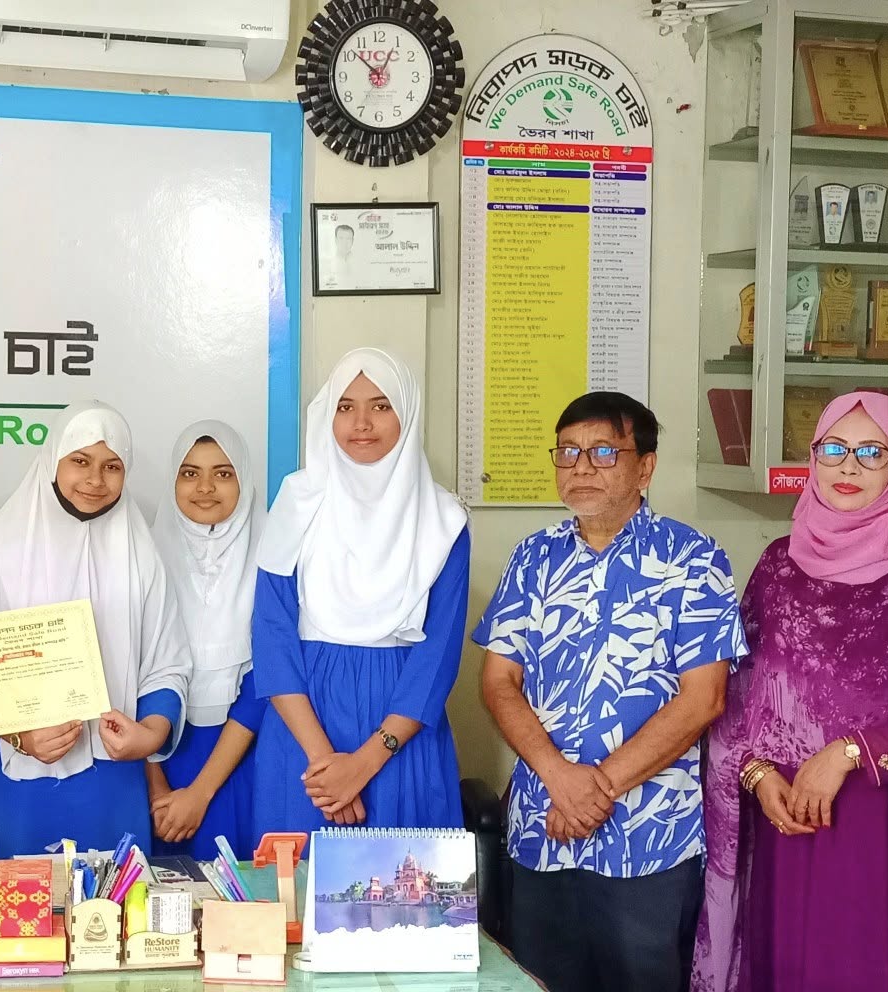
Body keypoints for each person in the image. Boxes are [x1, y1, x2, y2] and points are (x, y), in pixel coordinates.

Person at [693, 391, 888, 992]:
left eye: (871, 452)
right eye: (833, 449)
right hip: (787, 820)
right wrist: (757, 776)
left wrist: (848, 754)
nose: (848, 467)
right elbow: (738, 697)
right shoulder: (779, 565)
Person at [472, 391, 740, 992]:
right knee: (538, 983)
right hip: (543, 829)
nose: (582, 467)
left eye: (602, 452)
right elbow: (498, 681)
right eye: (568, 452)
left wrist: (595, 789)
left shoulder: (694, 559)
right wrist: (559, 780)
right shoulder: (532, 558)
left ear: (645, 467)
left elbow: (703, 699)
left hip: (648, 835)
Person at [0, 401, 190, 858]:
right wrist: (21, 736)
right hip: (16, 784)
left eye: (112, 466)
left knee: (114, 903)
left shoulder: (141, 555)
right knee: (13, 902)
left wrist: (152, 733)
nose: (95, 479)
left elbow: (166, 661)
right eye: (80, 460)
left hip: (113, 780)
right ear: (53, 459)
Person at [253, 348, 468, 831]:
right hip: (304, 728)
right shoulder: (296, 503)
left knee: (403, 877)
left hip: (400, 733)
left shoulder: (444, 520)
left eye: (381, 405)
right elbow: (271, 637)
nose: (362, 423)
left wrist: (364, 764)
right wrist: (325, 764)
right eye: (345, 406)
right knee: (296, 876)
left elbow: (437, 658)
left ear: (407, 413)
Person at [146, 421, 267, 859]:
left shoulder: (272, 560)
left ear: (244, 481)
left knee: (240, 886)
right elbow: (128, 674)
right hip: (158, 758)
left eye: (223, 473)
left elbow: (265, 682)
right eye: (190, 473)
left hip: (244, 756)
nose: (205, 488)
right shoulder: (143, 559)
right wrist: (156, 786)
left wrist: (200, 792)